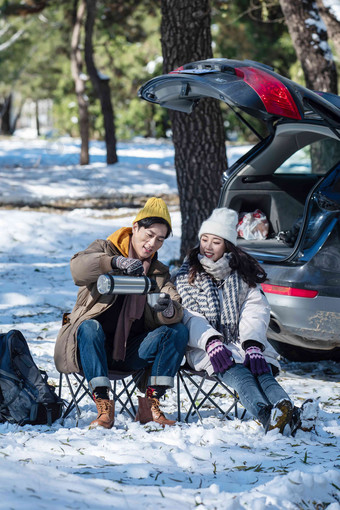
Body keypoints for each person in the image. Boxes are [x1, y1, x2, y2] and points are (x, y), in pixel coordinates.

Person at [174, 207, 314, 434]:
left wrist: (252, 345)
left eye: (216, 242)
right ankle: (267, 416)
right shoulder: (186, 276)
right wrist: (212, 341)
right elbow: (189, 316)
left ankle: (295, 416)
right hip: (204, 345)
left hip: (244, 341)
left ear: (227, 245)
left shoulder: (241, 276)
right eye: (204, 239)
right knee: (241, 376)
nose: (208, 247)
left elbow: (255, 310)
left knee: (264, 374)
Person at [54, 197, 188, 430]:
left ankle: (151, 403)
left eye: (160, 240)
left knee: (176, 331)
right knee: (89, 326)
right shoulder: (104, 248)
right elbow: (78, 269)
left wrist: (167, 308)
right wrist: (114, 262)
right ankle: (104, 406)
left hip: (130, 352)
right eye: (149, 235)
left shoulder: (157, 271)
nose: (152, 244)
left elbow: (174, 302)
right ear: (135, 227)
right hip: (90, 348)